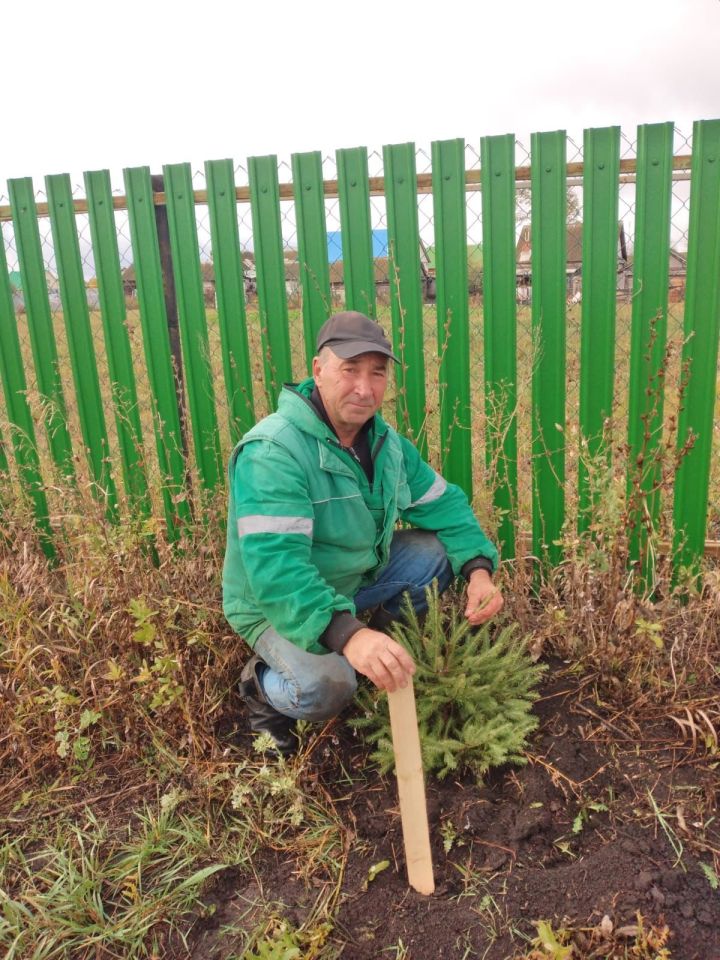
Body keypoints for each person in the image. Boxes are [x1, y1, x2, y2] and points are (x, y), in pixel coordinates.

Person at [222, 311, 504, 754]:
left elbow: (444, 504)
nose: (365, 388)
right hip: (275, 603)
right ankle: (263, 692)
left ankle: (378, 659)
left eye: (377, 373)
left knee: (434, 554)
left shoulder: (384, 445)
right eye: (349, 370)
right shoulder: (274, 452)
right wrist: (348, 634)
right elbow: (277, 572)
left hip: (352, 579)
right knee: (326, 688)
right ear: (318, 371)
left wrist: (479, 571)